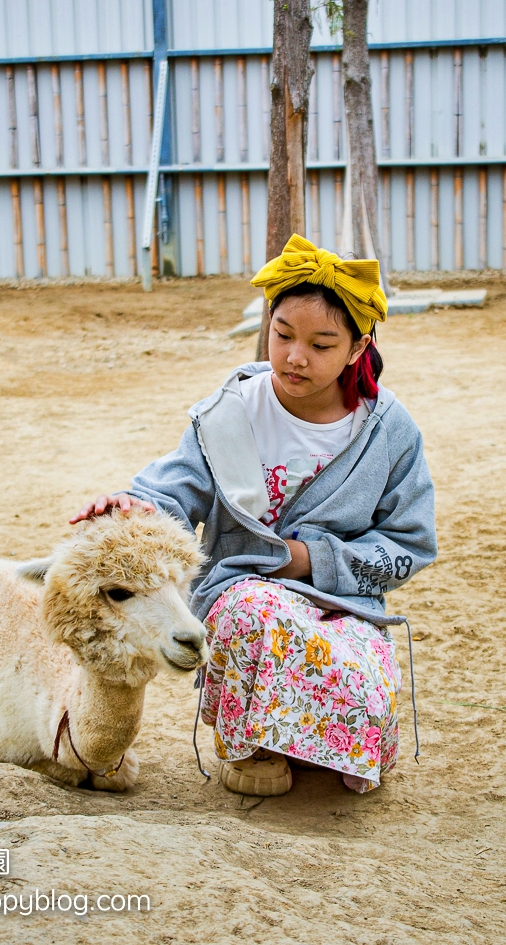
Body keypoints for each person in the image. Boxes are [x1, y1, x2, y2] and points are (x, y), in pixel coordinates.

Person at [71, 234, 436, 797]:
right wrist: (133, 506)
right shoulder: (228, 413)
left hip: (343, 599)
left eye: (321, 344)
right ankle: (252, 746)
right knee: (254, 609)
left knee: (353, 682)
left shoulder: (388, 431)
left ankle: (318, 740)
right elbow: (174, 492)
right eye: (283, 334)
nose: (294, 356)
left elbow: (410, 544)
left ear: (358, 348)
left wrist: (310, 560)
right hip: (239, 587)